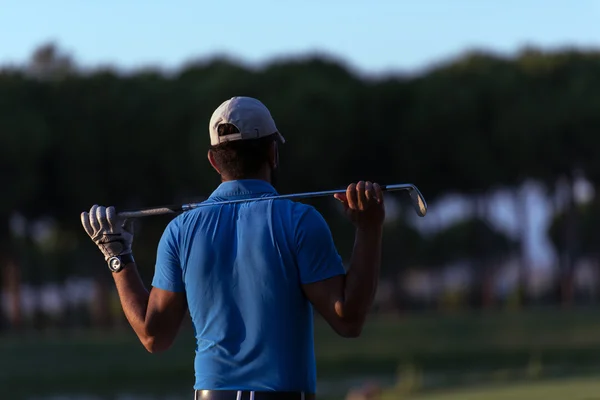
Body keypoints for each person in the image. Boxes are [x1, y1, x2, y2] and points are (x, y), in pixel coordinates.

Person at [80, 96, 385, 400]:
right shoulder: (300, 221)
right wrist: (369, 229)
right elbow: (348, 320)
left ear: (214, 160)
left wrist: (116, 254)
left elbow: (154, 336)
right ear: (273, 152)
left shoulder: (180, 230)